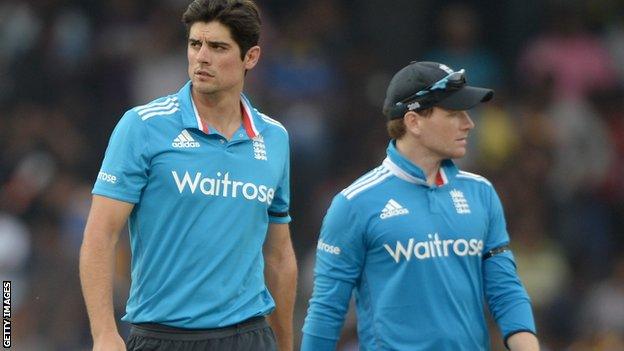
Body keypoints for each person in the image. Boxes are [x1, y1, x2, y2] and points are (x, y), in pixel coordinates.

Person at [79, 1, 297, 350]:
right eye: (196, 44)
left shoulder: (274, 138)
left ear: (251, 57)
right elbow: (100, 235)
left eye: (218, 47)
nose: (202, 57)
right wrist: (104, 332)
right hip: (163, 336)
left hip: (249, 336)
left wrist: (285, 345)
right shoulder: (143, 126)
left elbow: (279, 255)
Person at [301, 61, 539, 350]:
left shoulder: (482, 193)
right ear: (413, 122)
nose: (469, 123)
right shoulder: (354, 204)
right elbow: (327, 310)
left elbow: (506, 291)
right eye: (454, 113)